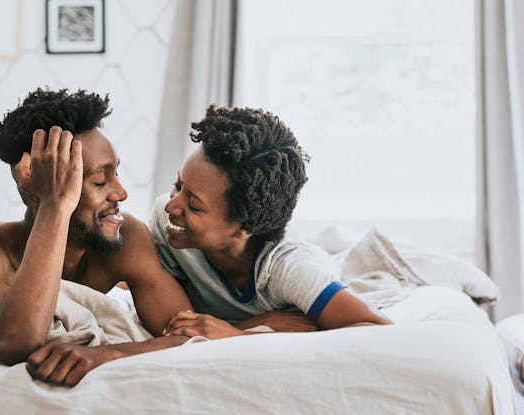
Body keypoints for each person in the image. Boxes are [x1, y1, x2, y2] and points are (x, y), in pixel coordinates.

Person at [0, 88, 193, 386]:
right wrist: (54, 205)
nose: (121, 193)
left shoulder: (127, 236)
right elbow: (16, 342)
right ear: (32, 183)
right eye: (100, 180)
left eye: (115, 174)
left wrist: (109, 354)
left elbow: (189, 333)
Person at [152, 105, 393, 339]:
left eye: (193, 205)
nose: (170, 206)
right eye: (178, 185)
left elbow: (378, 328)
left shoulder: (290, 270)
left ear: (244, 227)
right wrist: (259, 324)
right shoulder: (167, 222)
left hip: (314, 263)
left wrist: (239, 335)